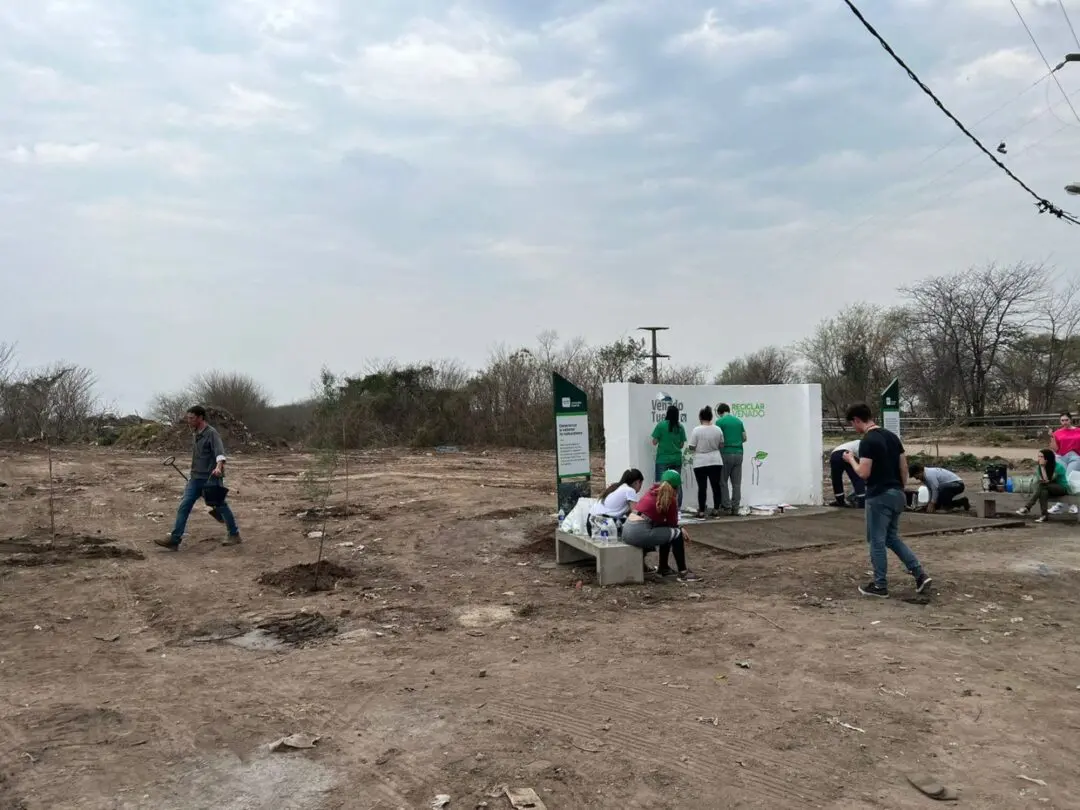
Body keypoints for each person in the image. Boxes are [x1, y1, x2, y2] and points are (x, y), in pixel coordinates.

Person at [843, 403, 932, 598]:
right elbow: (904, 468)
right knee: (891, 537)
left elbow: (863, 473)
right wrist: (900, 488)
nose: (854, 428)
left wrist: (851, 459)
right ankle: (919, 573)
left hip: (879, 494)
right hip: (897, 493)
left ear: (857, 420)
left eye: (853, 424)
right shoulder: (892, 437)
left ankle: (880, 584)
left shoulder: (867, 441)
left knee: (876, 540)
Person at [156, 405, 241, 550]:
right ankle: (175, 540)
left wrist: (218, 467)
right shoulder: (195, 433)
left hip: (210, 478)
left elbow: (220, 453)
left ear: (201, 417)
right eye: (188, 418)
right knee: (184, 506)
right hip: (195, 478)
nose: (189, 421)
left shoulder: (212, 433)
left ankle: (234, 534)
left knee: (220, 505)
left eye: (192, 418)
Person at [623, 470, 700, 582]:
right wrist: (680, 529)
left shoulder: (651, 491)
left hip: (628, 529)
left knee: (667, 532)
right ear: (677, 487)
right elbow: (673, 525)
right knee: (676, 534)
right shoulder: (670, 499)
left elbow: (664, 525)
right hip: (639, 531)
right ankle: (683, 572)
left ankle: (663, 568)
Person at [1016, 448, 1074, 522]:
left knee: (1043, 486)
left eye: (1041, 457)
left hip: (1061, 488)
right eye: (1038, 456)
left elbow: (1048, 480)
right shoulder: (1039, 467)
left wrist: (1043, 467)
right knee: (1043, 492)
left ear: (1047, 458)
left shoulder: (1058, 467)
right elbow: (1042, 480)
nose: (1039, 459)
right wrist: (1042, 467)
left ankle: (1027, 507)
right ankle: (1044, 515)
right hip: (1048, 488)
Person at [688, 405, 725, 518]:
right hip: (715, 460)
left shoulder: (696, 430)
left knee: (702, 487)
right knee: (716, 486)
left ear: (700, 417)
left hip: (700, 461)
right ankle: (716, 510)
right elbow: (722, 444)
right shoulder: (717, 429)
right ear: (711, 417)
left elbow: (691, 446)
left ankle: (702, 511)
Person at [588, 468, 644, 535]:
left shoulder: (616, 487)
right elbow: (635, 514)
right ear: (637, 482)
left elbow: (628, 514)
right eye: (641, 483)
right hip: (602, 524)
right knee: (639, 527)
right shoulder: (630, 490)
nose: (641, 487)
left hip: (591, 523)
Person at [650, 404, 686, 507]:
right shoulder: (680, 427)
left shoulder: (661, 425)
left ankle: (661, 505)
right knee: (676, 484)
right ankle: (677, 508)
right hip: (676, 459)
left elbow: (654, 442)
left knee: (660, 484)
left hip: (663, 459)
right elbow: (681, 444)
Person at [716, 402, 746, 515]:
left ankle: (727, 507)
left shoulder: (719, 422)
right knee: (736, 483)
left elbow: (718, 439)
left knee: (723, 481)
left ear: (720, 413)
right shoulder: (738, 421)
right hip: (739, 453)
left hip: (725, 454)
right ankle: (735, 508)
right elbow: (744, 437)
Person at [828, 438, 865, 508]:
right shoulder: (864, 444)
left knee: (836, 479)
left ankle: (840, 500)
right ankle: (862, 502)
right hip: (847, 453)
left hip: (834, 455)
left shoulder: (857, 442)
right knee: (856, 478)